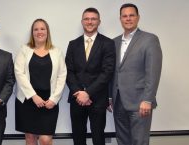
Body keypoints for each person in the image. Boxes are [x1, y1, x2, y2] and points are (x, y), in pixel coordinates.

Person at [110, 3, 162, 145]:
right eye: (124, 16)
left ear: (138, 17)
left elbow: (153, 72)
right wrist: (110, 96)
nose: (128, 19)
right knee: (123, 141)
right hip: (118, 102)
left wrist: (148, 99)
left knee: (139, 141)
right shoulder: (114, 42)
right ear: (120, 19)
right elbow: (113, 72)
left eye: (131, 15)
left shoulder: (149, 39)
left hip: (140, 103)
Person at [65, 8, 116, 145]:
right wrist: (79, 93)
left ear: (99, 21)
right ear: (82, 22)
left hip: (98, 99)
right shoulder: (73, 44)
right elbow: (68, 71)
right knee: (78, 137)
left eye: (93, 19)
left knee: (98, 138)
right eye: (86, 19)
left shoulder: (108, 43)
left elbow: (107, 72)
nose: (90, 22)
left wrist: (88, 93)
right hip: (77, 99)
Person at [14, 18, 67, 145]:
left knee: (45, 139)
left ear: (47, 32)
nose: (39, 32)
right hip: (27, 100)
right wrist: (33, 96)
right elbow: (19, 73)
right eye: (36, 29)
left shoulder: (57, 51)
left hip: (49, 101)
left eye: (42, 29)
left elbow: (62, 75)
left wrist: (54, 99)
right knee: (30, 138)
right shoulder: (24, 50)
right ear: (32, 33)